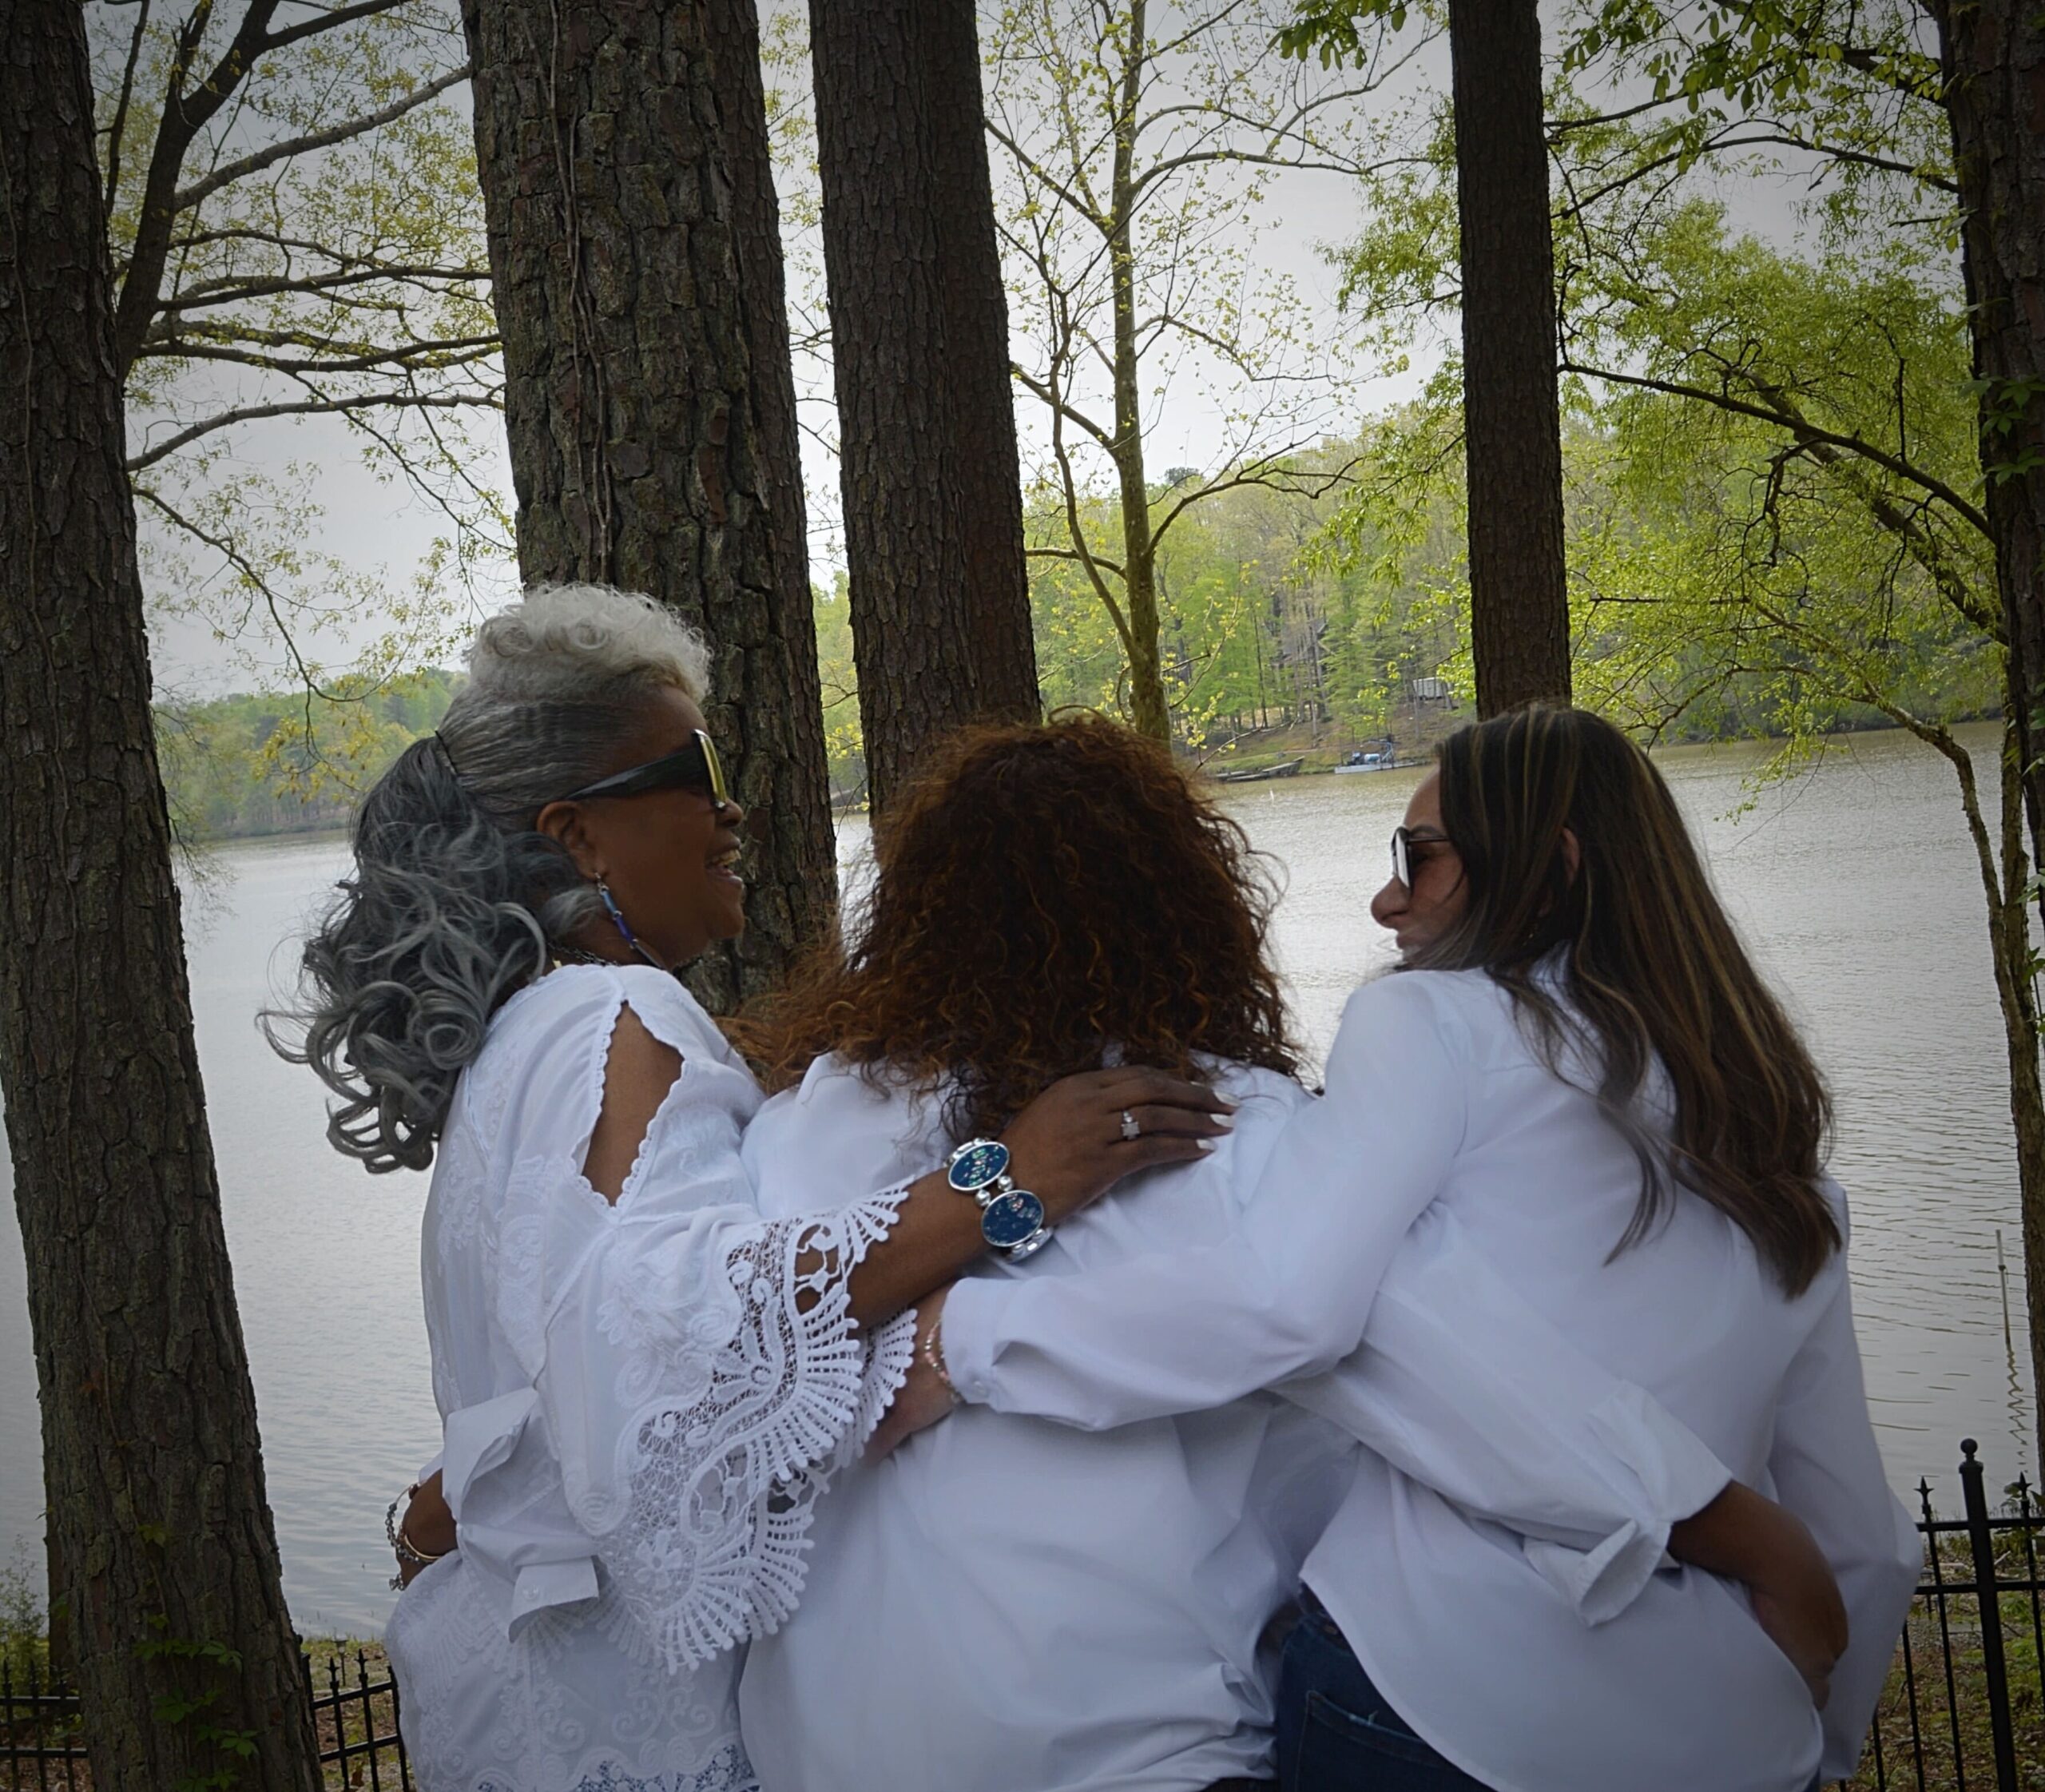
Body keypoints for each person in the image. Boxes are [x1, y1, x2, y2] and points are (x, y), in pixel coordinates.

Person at [732, 717, 1858, 1792]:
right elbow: (1427, 1361)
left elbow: (704, 1370)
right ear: (1188, 910)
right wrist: (1737, 1533)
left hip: (822, 1739)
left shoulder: (797, 1126)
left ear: (918, 917)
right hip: (1135, 1740)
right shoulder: (1215, 1127)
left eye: (1416, 859)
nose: (1387, 896)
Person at [272, 586, 1223, 1792]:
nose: (732, 805)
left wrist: (452, 1500)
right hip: (627, 1716)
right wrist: (1003, 1186)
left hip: (506, 1707)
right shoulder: (616, 1012)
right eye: (693, 764)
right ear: (578, 834)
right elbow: (662, 1325)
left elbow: (560, 1361)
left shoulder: (518, 1043)